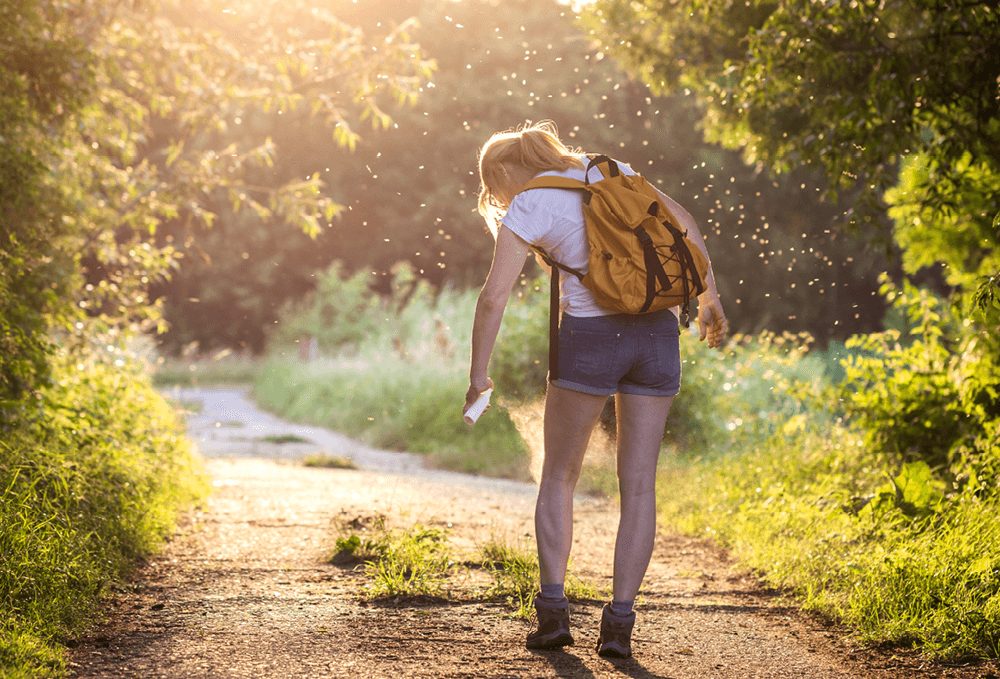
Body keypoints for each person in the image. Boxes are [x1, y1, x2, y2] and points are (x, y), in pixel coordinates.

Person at [464, 121, 727, 659]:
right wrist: (709, 299)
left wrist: (478, 374)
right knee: (639, 487)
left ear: (504, 174)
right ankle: (619, 627)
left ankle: (554, 616)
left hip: (589, 338)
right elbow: (685, 223)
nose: (499, 199)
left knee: (559, 474)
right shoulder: (612, 171)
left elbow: (494, 298)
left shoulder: (531, 203)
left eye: (495, 188)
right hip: (657, 334)